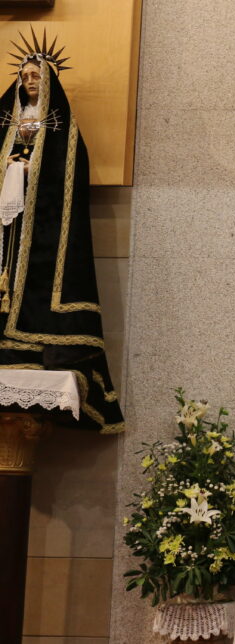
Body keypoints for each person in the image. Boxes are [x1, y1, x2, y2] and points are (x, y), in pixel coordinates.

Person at [0, 38, 123, 433]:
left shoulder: (63, 132)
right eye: (25, 75)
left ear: (50, 80)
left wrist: (28, 171)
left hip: (39, 229)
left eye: (37, 75)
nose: (30, 80)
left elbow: (66, 181)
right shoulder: (8, 119)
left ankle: (34, 342)